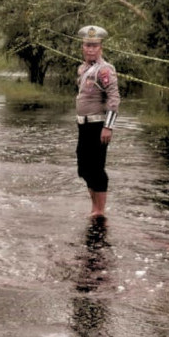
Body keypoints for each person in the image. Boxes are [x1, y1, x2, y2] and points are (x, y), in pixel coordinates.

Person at [75, 25, 120, 219]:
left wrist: (108, 127)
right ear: (83, 47)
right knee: (84, 168)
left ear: (101, 47)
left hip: (97, 125)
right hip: (83, 125)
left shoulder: (105, 70)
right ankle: (94, 207)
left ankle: (100, 211)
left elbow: (114, 98)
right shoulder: (84, 68)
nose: (91, 49)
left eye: (95, 46)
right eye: (87, 45)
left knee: (96, 168)